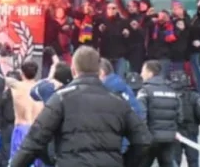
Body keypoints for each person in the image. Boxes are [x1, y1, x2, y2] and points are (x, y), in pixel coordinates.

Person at [11, 46, 151, 167]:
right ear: (99, 71)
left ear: (73, 70)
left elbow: (34, 142)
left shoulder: (60, 99)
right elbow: (144, 141)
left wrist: (52, 161)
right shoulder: (118, 101)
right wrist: (125, 163)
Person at [136, 60, 182, 167]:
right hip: (168, 139)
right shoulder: (172, 90)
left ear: (150, 73)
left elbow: (140, 117)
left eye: (143, 71)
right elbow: (180, 115)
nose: (141, 74)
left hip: (150, 139)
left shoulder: (144, 91)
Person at [168, 70, 200, 167]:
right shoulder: (194, 96)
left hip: (174, 133)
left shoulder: (167, 96)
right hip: (190, 133)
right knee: (193, 162)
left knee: (174, 162)